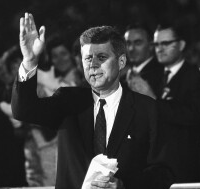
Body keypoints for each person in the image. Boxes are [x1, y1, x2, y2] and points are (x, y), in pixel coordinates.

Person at [12, 13, 173, 189]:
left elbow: (162, 173)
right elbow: (23, 110)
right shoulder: (68, 101)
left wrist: (123, 186)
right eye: (88, 58)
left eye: (102, 57)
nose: (93, 65)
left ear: (121, 62)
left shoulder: (146, 108)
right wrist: (29, 60)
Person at [152, 22, 200, 183]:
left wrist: (151, 100)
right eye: (156, 44)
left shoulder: (197, 79)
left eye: (165, 43)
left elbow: (192, 116)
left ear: (181, 44)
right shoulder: (153, 77)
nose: (159, 48)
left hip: (182, 168)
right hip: (152, 166)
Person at [124, 23, 164, 98]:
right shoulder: (123, 78)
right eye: (128, 43)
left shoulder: (163, 75)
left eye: (137, 43)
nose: (131, 49)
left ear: (151, 46)